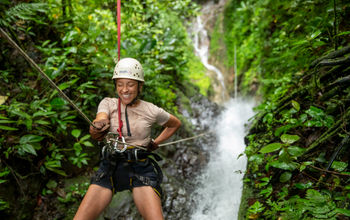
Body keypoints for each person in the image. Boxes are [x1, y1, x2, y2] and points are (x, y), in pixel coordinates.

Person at [74, 58, 181, 220]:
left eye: (130, 84)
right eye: (120, 84)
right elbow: (101, 118)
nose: (125, 90)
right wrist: (98, 126)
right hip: (110, 167)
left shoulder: (151, 110)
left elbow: (174, 124)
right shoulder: (108, 104)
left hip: (140, 169)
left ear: (139, 86)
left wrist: (155, 142)